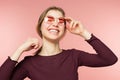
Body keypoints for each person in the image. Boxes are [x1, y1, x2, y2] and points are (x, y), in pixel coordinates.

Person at [0, 6, 118, 80]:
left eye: (60, 21)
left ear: (64, 29)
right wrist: (20, 49)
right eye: (50, 19)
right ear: (40, 26)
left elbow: (110, 59)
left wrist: (83, 32)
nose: (55, 24)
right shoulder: (29, 63)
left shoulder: (74, 56)